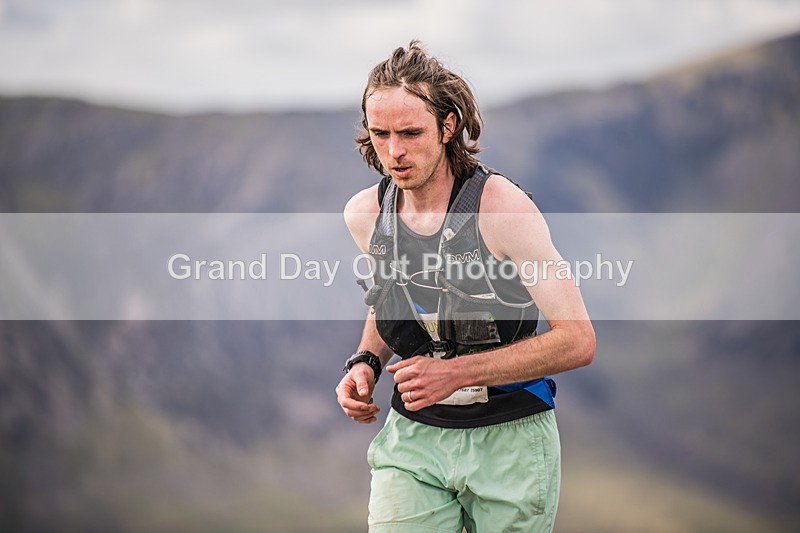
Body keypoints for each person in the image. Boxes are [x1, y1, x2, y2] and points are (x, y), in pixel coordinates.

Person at [336, 41, 595, 533]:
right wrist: (366, 361)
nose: (394, 151)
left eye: (411, 132)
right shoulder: (365, 215)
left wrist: (456, 373)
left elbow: (578, 340)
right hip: (413, 436)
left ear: (448, 125)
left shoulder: (504, 210)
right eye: (380, 133)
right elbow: (395, 299)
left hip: (512, 439)